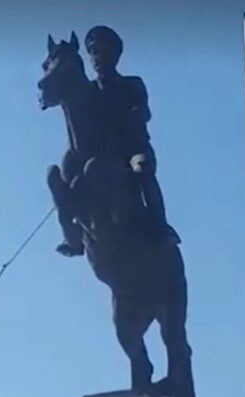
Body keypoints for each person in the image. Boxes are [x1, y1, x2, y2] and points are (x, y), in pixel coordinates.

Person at [83, 25, 180, 246]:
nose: (97, 57)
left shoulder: (132, 84)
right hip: (105, 156)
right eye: (93, 52)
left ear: (114, 56)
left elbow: (144, 113)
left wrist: (121, 120)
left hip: (134, 151)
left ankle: (160, 226)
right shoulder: (88, 92)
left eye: (102, 51)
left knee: (143, 170)